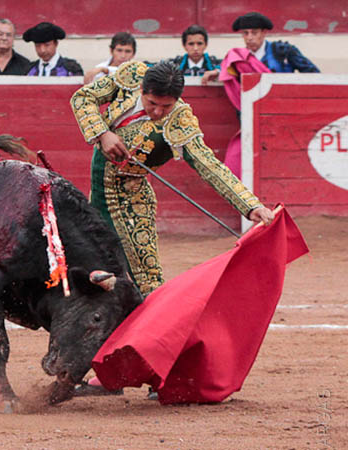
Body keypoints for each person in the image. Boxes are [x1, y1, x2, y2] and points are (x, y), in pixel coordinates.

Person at [70, 60, 275, 396]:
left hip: (132, 206)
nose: (157, 112)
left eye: (165, 106)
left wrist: (250, 205)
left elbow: (209, 165)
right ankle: (111, 373)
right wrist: (103, 132)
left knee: (148, 287)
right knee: (98, 285)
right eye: (152, 104)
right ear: (142, 91)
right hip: (97, 203)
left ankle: (165, 372)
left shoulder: (179, 120)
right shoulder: (131, 75)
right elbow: (82, 99)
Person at [204, 12, 320, 177]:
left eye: (254, 32)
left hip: (284, 117)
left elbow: (314, 75)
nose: (249, 37)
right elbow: (229, 73)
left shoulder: (284, 52)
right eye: (245, 33)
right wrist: (217, 72)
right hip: (254, 121)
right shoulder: (238, 59)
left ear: (264, 33)